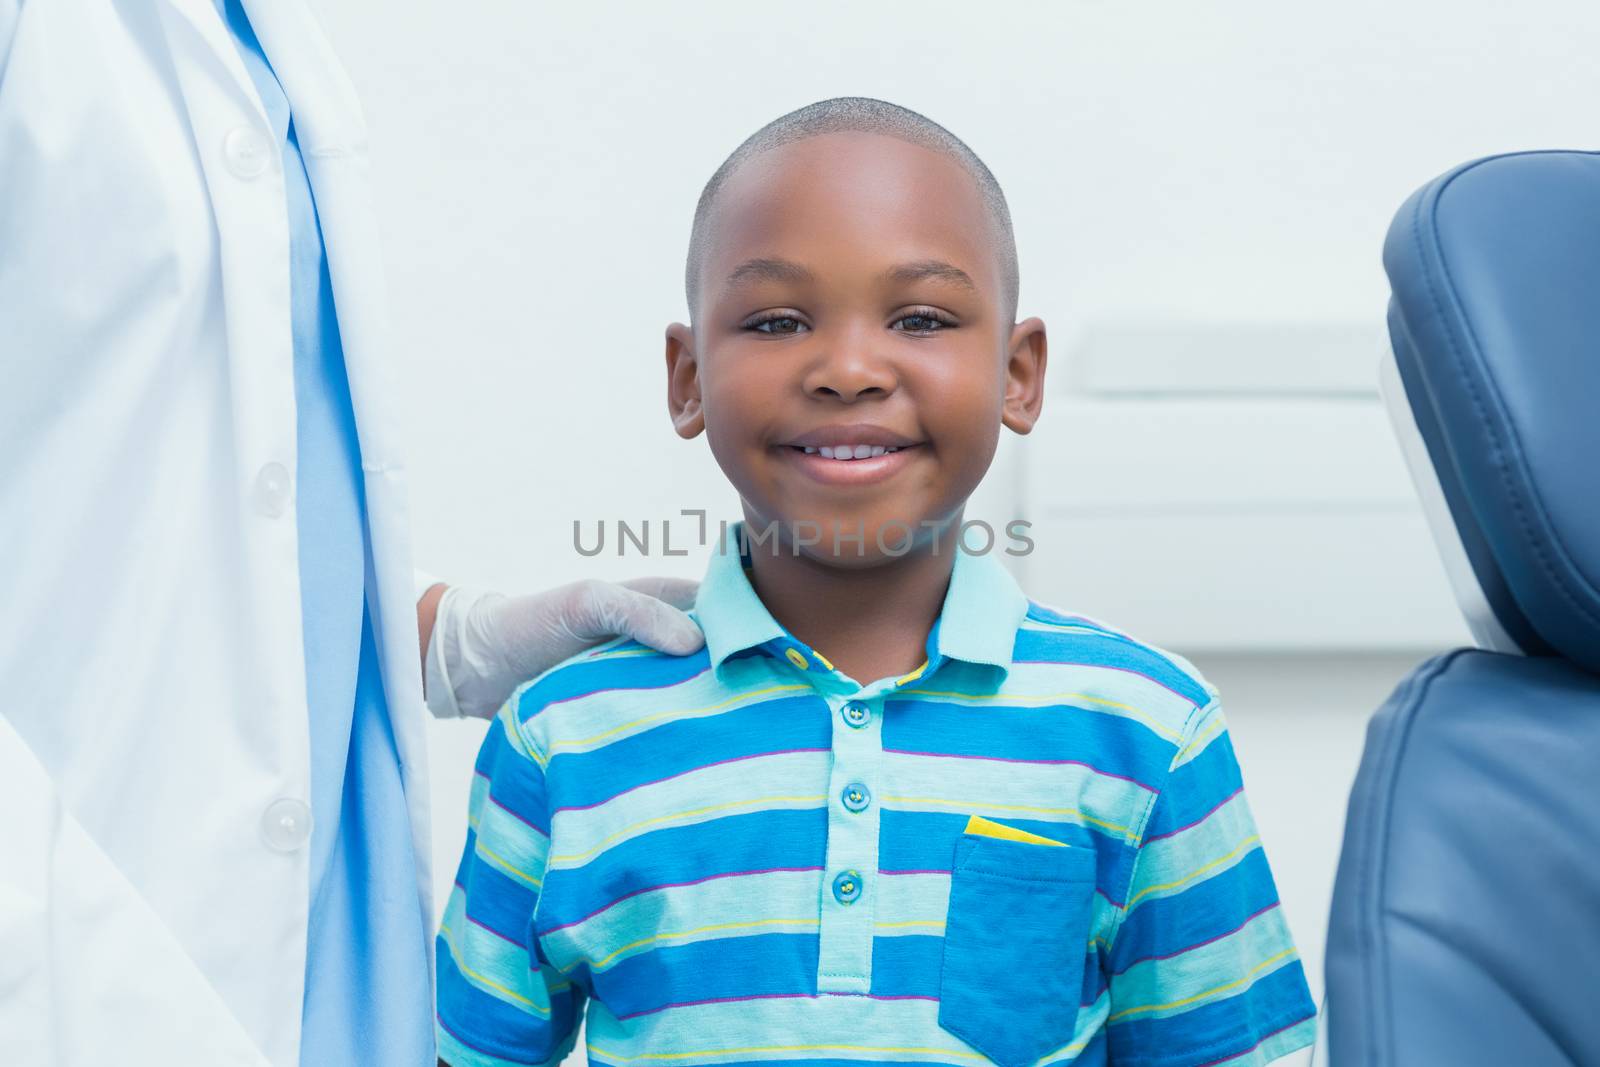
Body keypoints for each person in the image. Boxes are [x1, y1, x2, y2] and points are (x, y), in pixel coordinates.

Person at [436, 97, 1318, 1066]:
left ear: (1018, 373)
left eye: (921, 317)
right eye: (776, 319)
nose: (849, 369)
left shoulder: (1146, 726)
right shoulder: (563, 736)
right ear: (686, 378)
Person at [0, 2, 700, 1064]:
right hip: (86, 963)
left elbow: (202, 489)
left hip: (322, 969)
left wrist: (444, 635)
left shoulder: (258, 36)